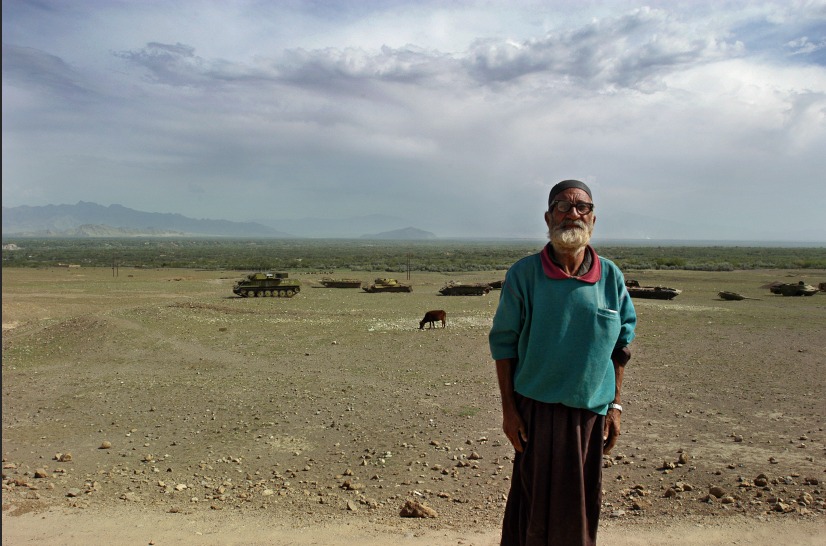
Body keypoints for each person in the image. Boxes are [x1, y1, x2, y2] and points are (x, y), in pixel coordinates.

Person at [488, 179, 637, 546]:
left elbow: (622, 344)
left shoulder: (611, 278)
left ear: (593, 219)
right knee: (531, 508)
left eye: (582, 206)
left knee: (580, 509)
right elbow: (503, 345)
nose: (572, 213)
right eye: (562, 206)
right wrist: (509, 410)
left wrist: (615, 405)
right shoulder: (524, 275)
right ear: (548, 217)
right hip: (534, 413)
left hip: (588, 416)